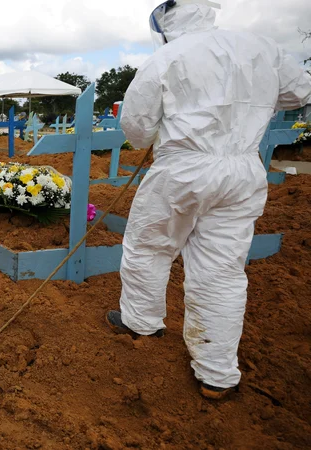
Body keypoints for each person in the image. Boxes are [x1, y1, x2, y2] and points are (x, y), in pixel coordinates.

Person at [105, 0, 311, 400]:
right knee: (222, 269)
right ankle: (217, 373)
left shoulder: (165, 58)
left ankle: (140, 321)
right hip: (241, 169)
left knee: (149, 246)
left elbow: (136, 127)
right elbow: (299, 91)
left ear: (166, 22)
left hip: (183, 168)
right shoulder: (262, 47)